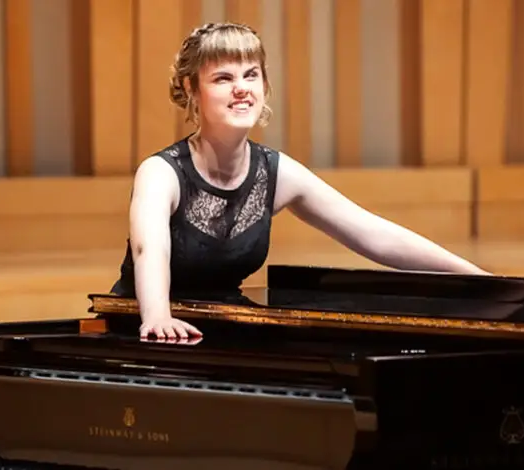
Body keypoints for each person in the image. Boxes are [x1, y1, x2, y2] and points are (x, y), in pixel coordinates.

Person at [110, 22, 488, 340]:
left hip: (222, 327)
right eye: (223, 78)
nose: (241, 88)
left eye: (251, 75)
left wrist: (480, 280)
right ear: (192, 89)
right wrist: (157, 316)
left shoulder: (275, 171)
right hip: (147, 329)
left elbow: (373, 234)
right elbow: (150, 251)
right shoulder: (161, 172)